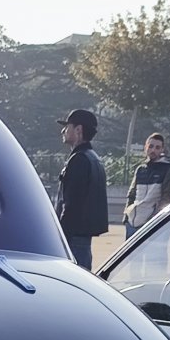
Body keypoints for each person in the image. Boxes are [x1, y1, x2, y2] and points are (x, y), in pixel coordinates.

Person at [54, 108, 108, 270]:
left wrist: (60, 237)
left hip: (73, 239)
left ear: (78, 130)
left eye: (67, 126)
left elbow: (71, 205)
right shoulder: (93, 158)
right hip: (82, 238)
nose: (63, 131)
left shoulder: (78, 160)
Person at [123, 132, 170, 238]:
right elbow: (132, 194)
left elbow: (168, 199)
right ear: (145, 147)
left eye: (157, 147)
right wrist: (126, 217)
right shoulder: (140, 169)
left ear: (162, 150)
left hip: (153, 225)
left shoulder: (168, 169)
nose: (153, 150)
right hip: (132, 224)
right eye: (151, 146)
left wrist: (153, 221)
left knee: (156, 255)